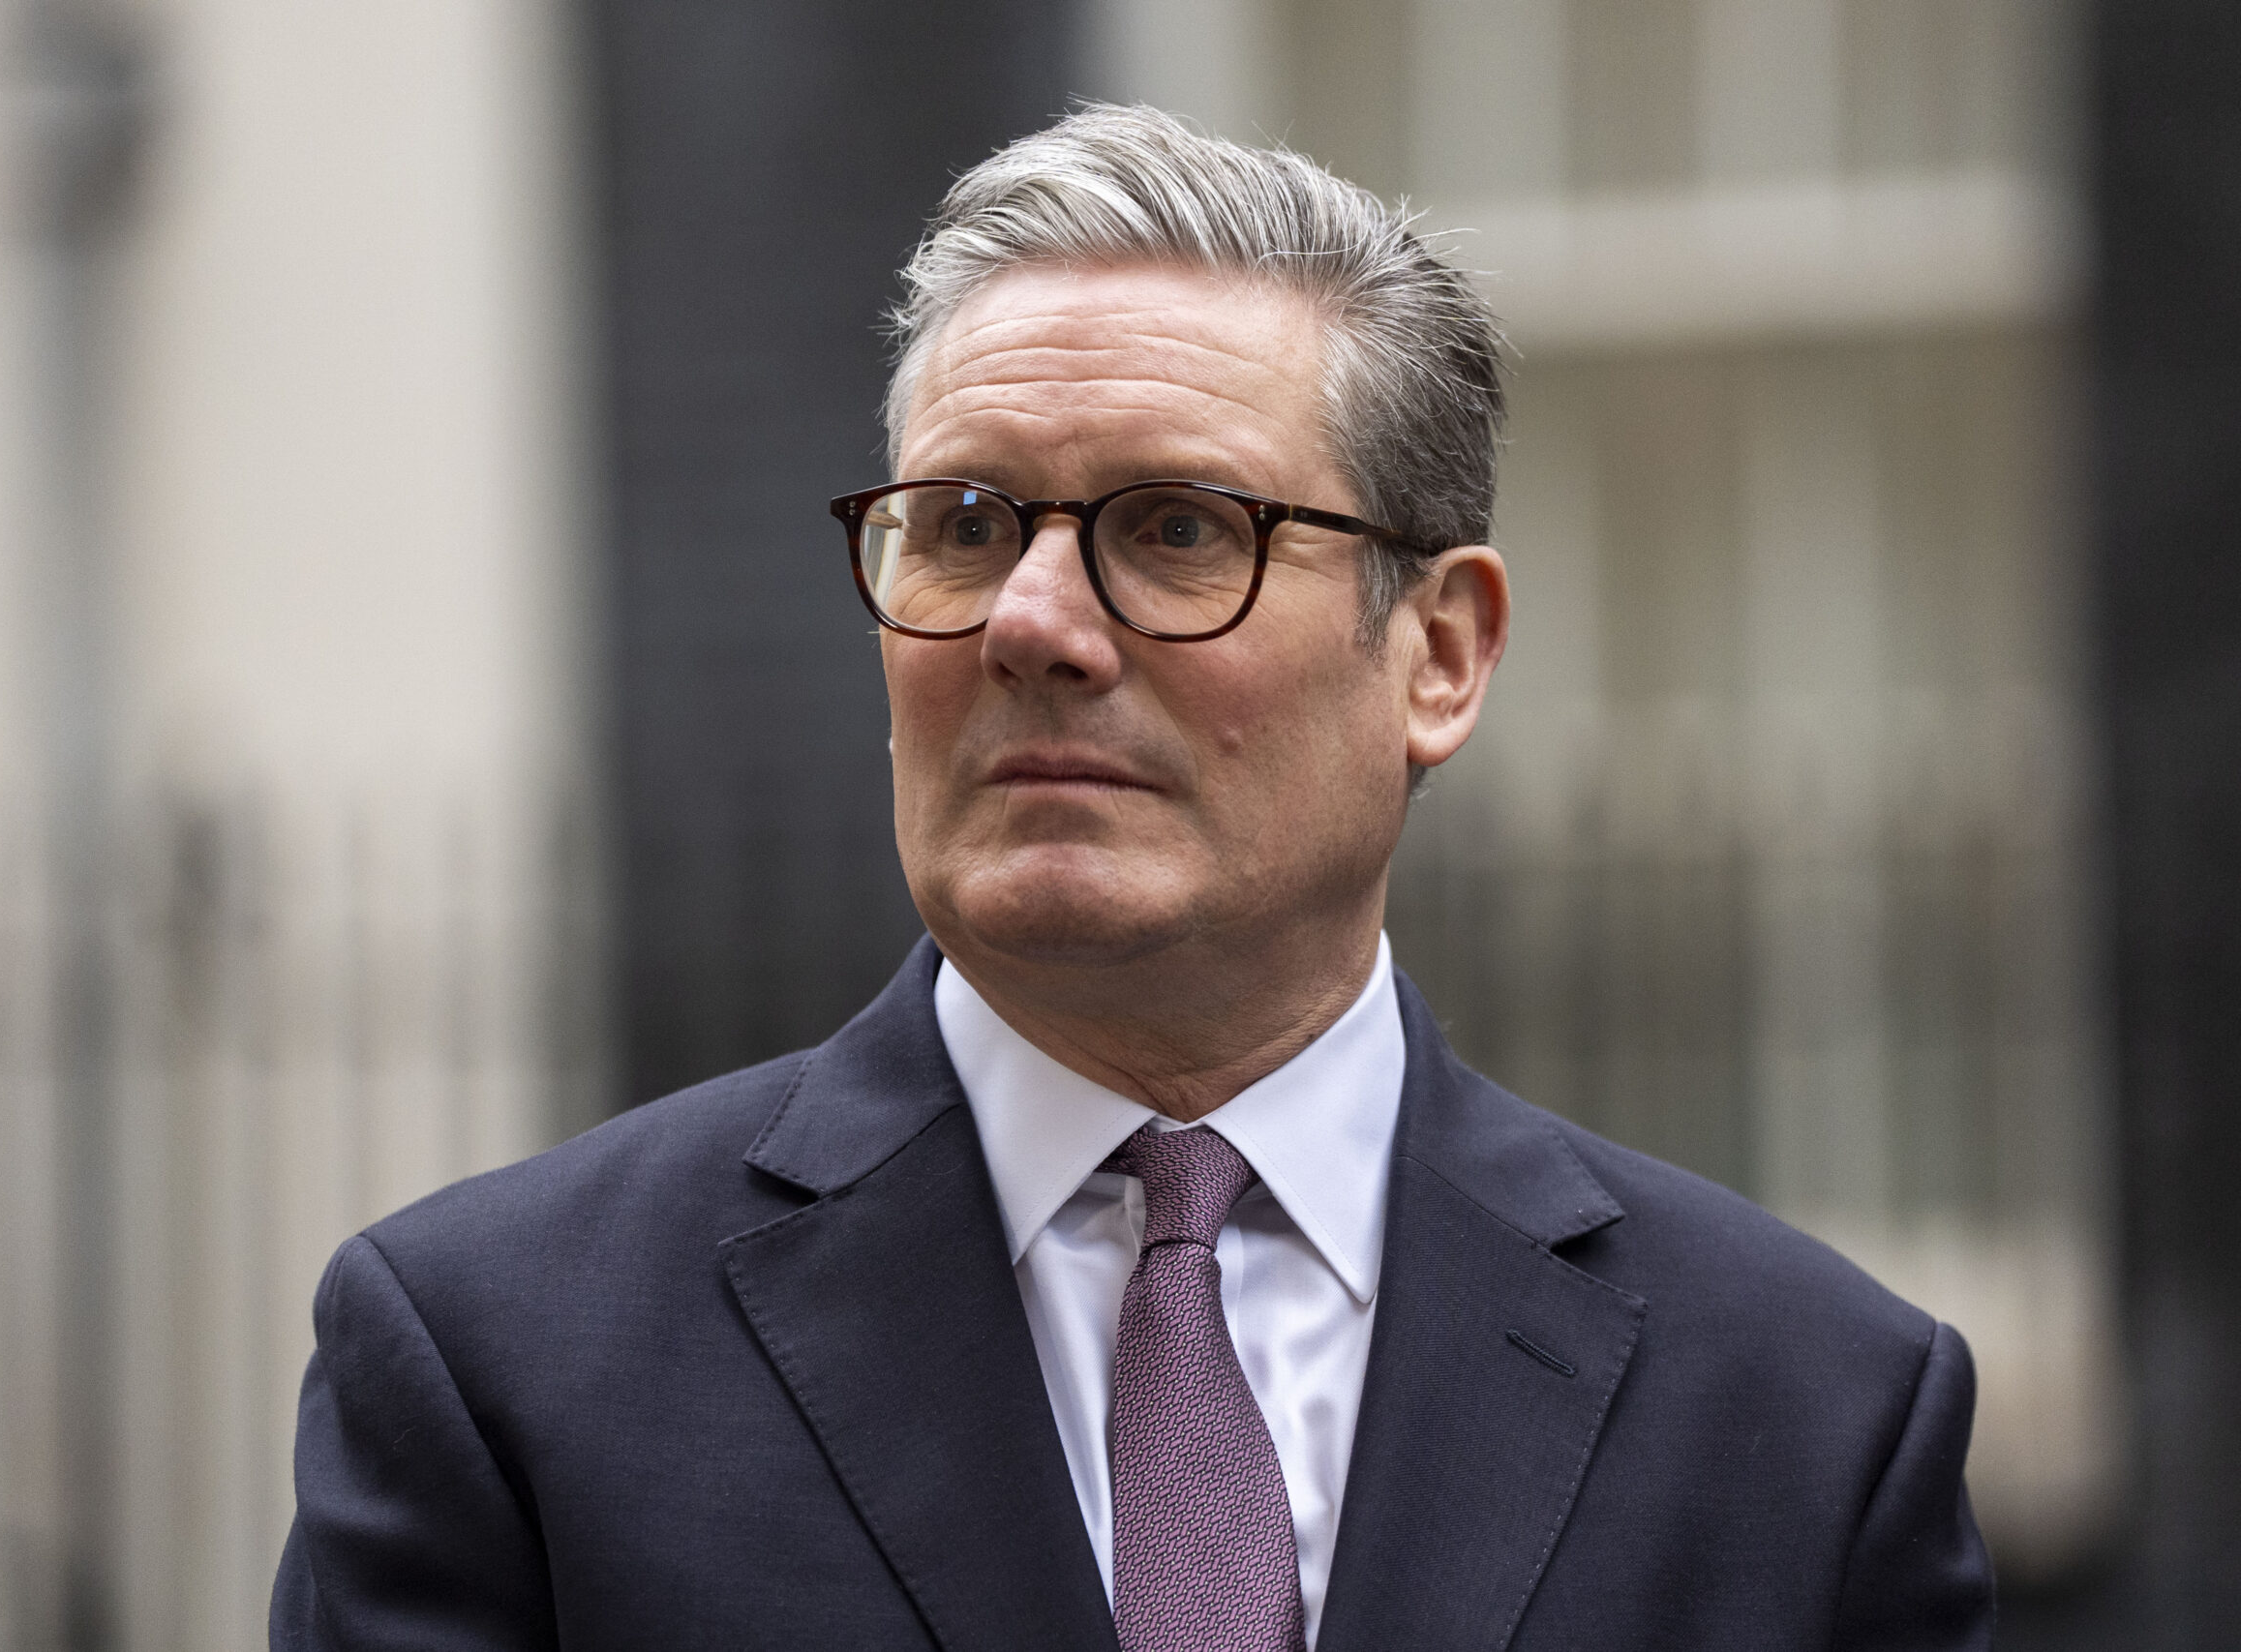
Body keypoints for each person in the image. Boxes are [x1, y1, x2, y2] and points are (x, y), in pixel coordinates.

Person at [272, 105, 1993, 1651]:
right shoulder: (500, 1365)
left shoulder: (1811, 1414)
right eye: (959, 523)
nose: (1028, 623)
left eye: (1178, 530)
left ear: (1441, 655)